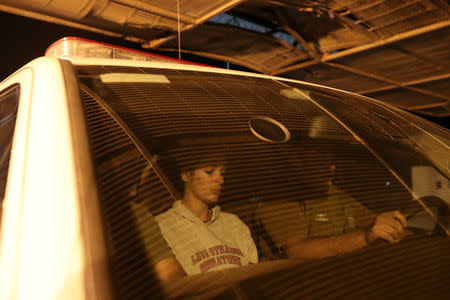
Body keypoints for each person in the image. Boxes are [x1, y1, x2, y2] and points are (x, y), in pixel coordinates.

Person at [255, 153, 410, 261]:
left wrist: (411, 231)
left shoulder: (336, 196)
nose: (332, 166)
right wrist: (364, 236)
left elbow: (376, 226)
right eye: (322, 159)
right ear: (298, 161)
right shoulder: (278, 199)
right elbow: (297, 250)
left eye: (331, 158)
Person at [155, 150, 258, 275]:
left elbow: (253, 274)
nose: (220, 180)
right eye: (209, 171)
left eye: (223, 173)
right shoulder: (161, 227)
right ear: (186, 175)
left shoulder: (233, 223)